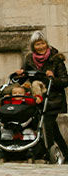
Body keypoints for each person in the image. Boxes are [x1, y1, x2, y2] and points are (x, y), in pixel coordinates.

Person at [12, 30, 68, 161]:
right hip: (37, 99)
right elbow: (22, 79)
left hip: (53, 99)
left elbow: (65, 81)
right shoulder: (29, 59)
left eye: (42, 43)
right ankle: (64, 152)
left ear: (46, 44)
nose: (41, 47)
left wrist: (52, 78)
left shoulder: (56, 59)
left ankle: (49, 153)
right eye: (37, 44)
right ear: (33, 47)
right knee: (52, 128)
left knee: (47, 125)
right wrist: (18, 75)